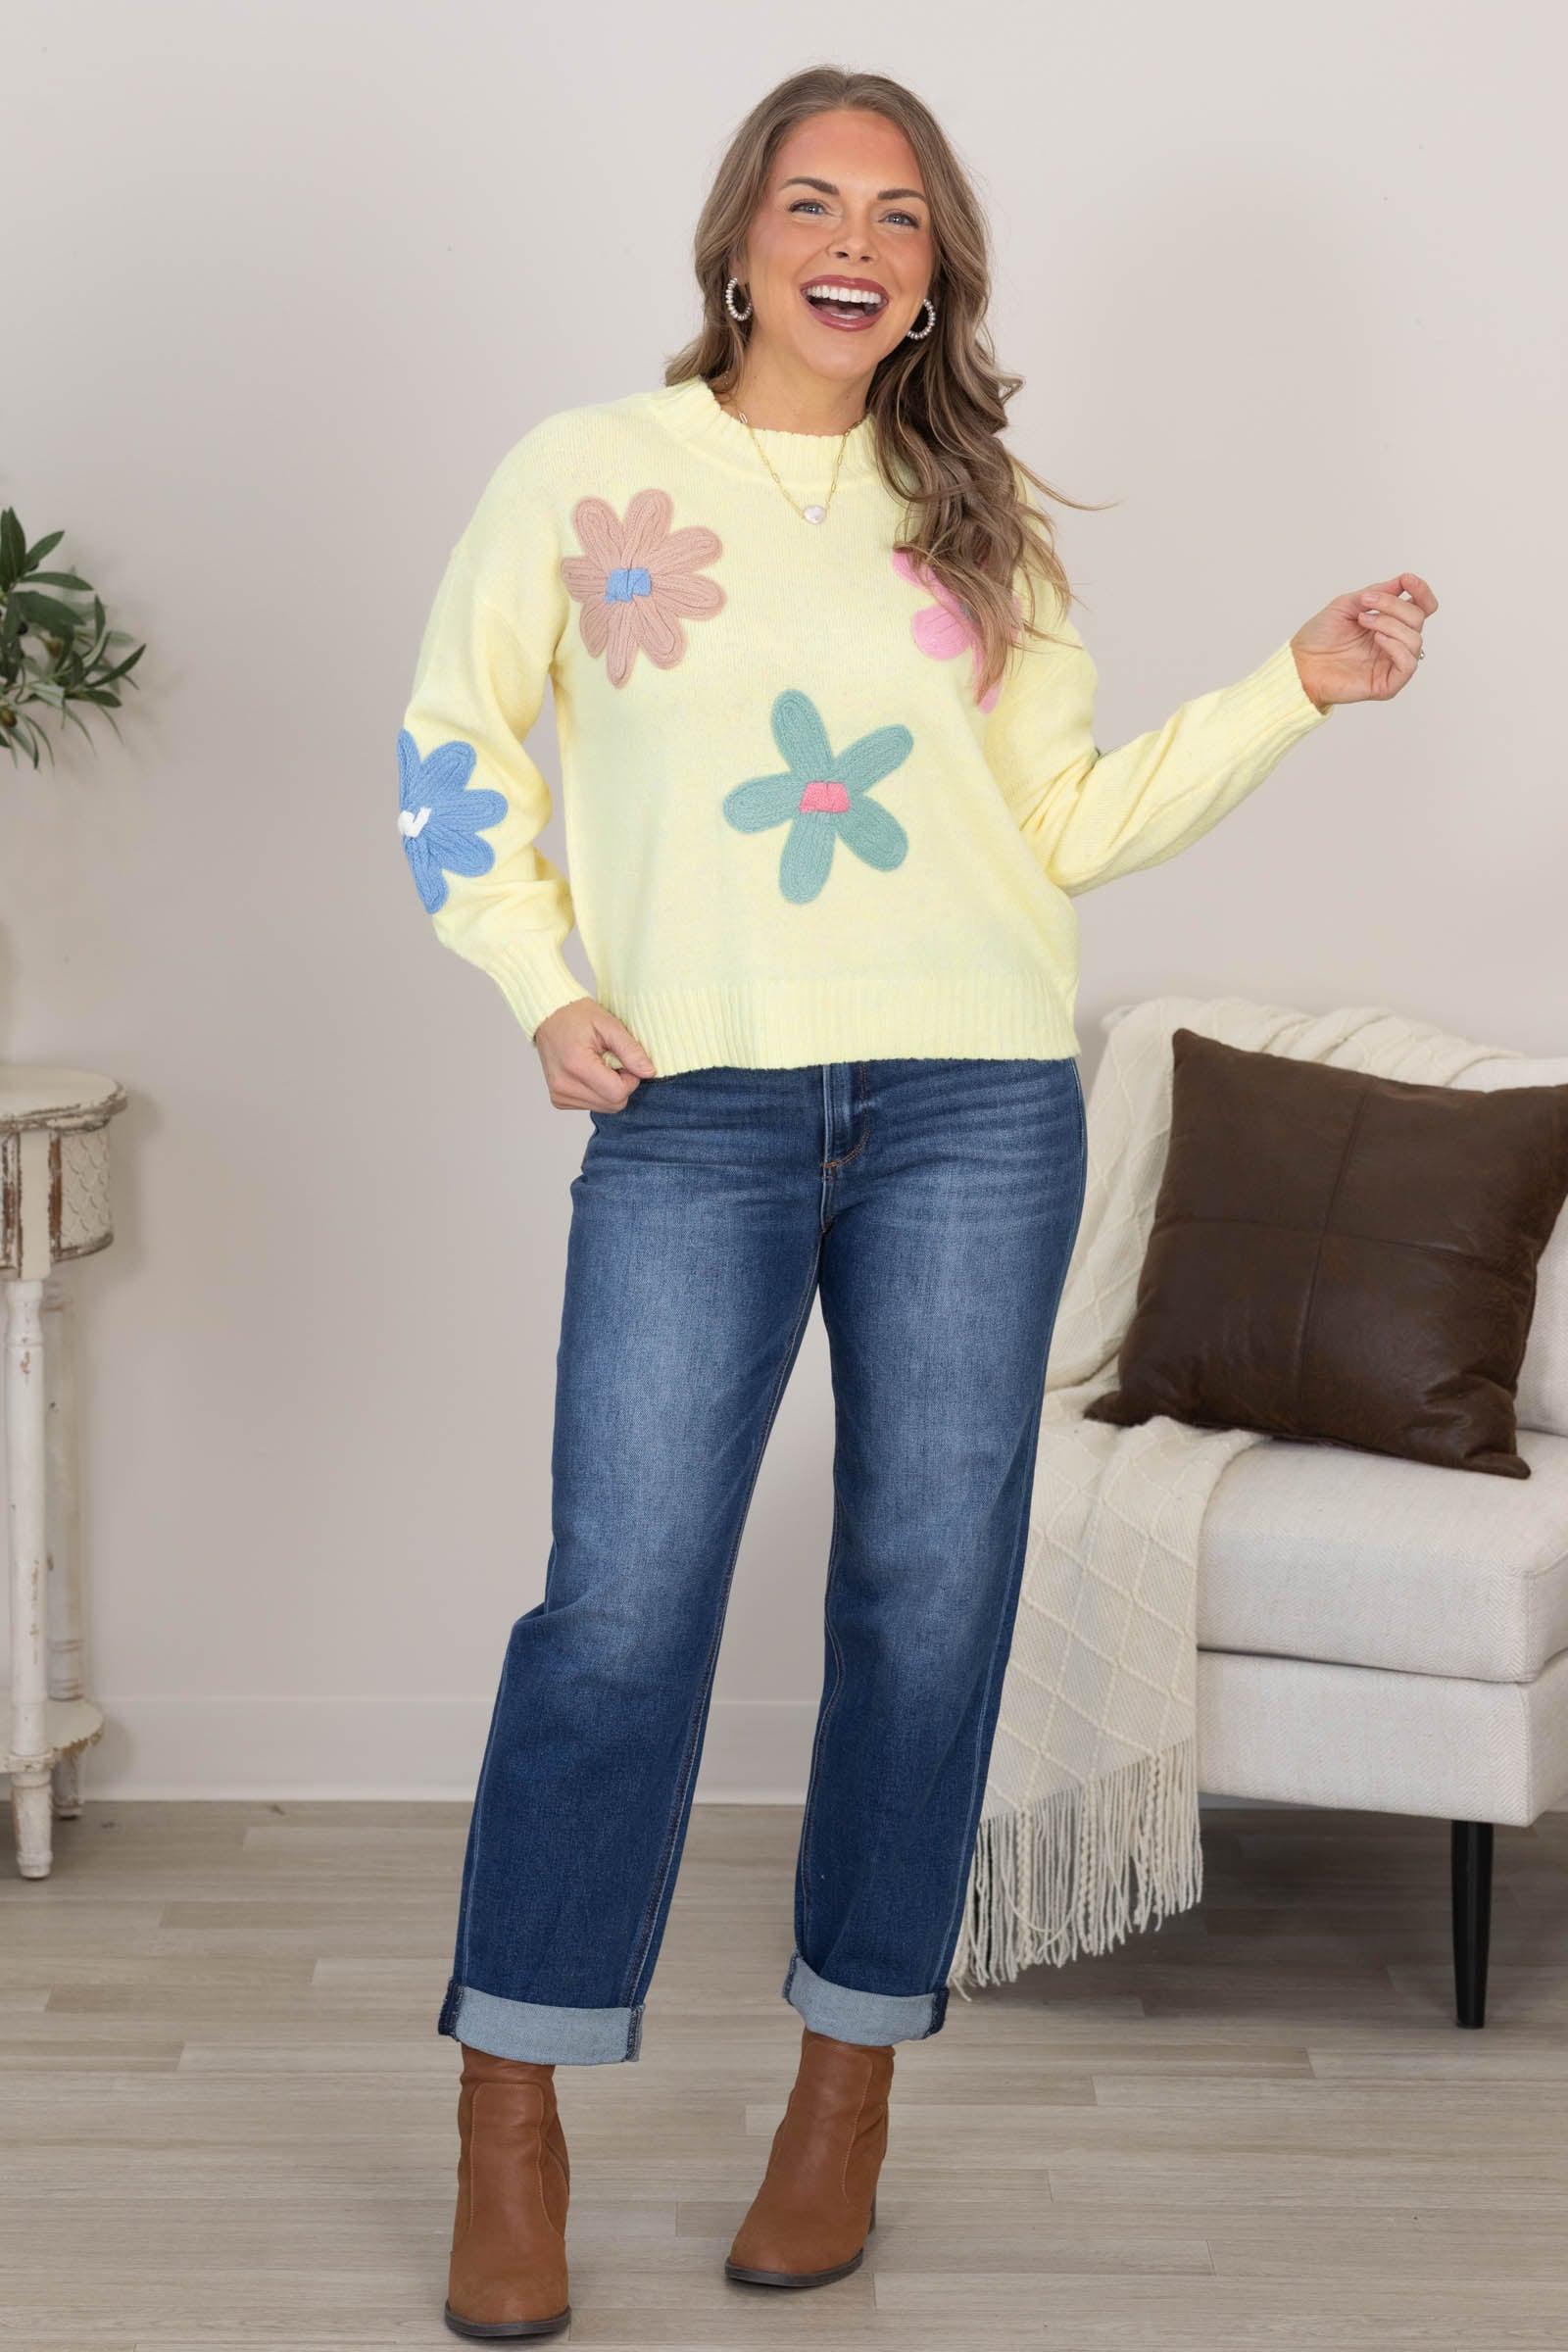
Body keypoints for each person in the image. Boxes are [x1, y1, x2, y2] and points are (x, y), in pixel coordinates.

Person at [396, 64, 1434, 2342]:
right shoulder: (589, 476)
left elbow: (1054, 826)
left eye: (895, 213)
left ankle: (844, 2087)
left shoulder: (979, 517)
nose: (851, 243)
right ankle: (511, 2101)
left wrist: (1288, 689)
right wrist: (539, 981)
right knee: (619, 1608)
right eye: (810, 202)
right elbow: (450, 743)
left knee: (924, 1600)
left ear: (937, 268)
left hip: (973, 1102)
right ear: (735, 243)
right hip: (692, 1107)